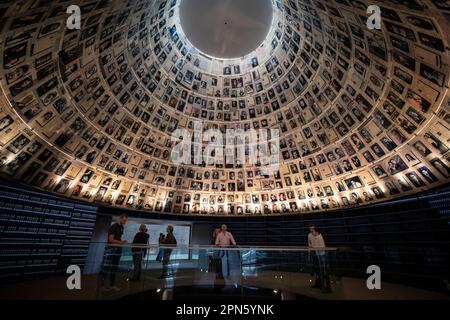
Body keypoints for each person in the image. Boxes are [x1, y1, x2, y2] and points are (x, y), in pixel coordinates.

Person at [104, 214, 128, 290]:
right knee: (108, 267)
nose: (125, 222)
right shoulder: (113, 227)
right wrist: (121, 242)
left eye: (126, 220)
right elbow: (110, 239)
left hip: (117, 250)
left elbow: (118, 238)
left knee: (114, 268)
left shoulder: (121, 227)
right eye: (124, 220)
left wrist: (121, 242)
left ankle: (112, 285)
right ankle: (103, 285)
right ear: (120, 218)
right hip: (111, 249)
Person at [308, 224, 331, 292]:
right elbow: (309, 244)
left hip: (322, 255)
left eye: (313, 229)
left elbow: (322, 246)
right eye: (310, 229)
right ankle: (318, 284)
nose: (312, 231)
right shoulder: (310, 235)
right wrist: (310, 253)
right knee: (317, 270)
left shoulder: (319, 237)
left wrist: (313, 247)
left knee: (324, 271)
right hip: (315, 254)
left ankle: (327, 287)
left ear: (316, 230)